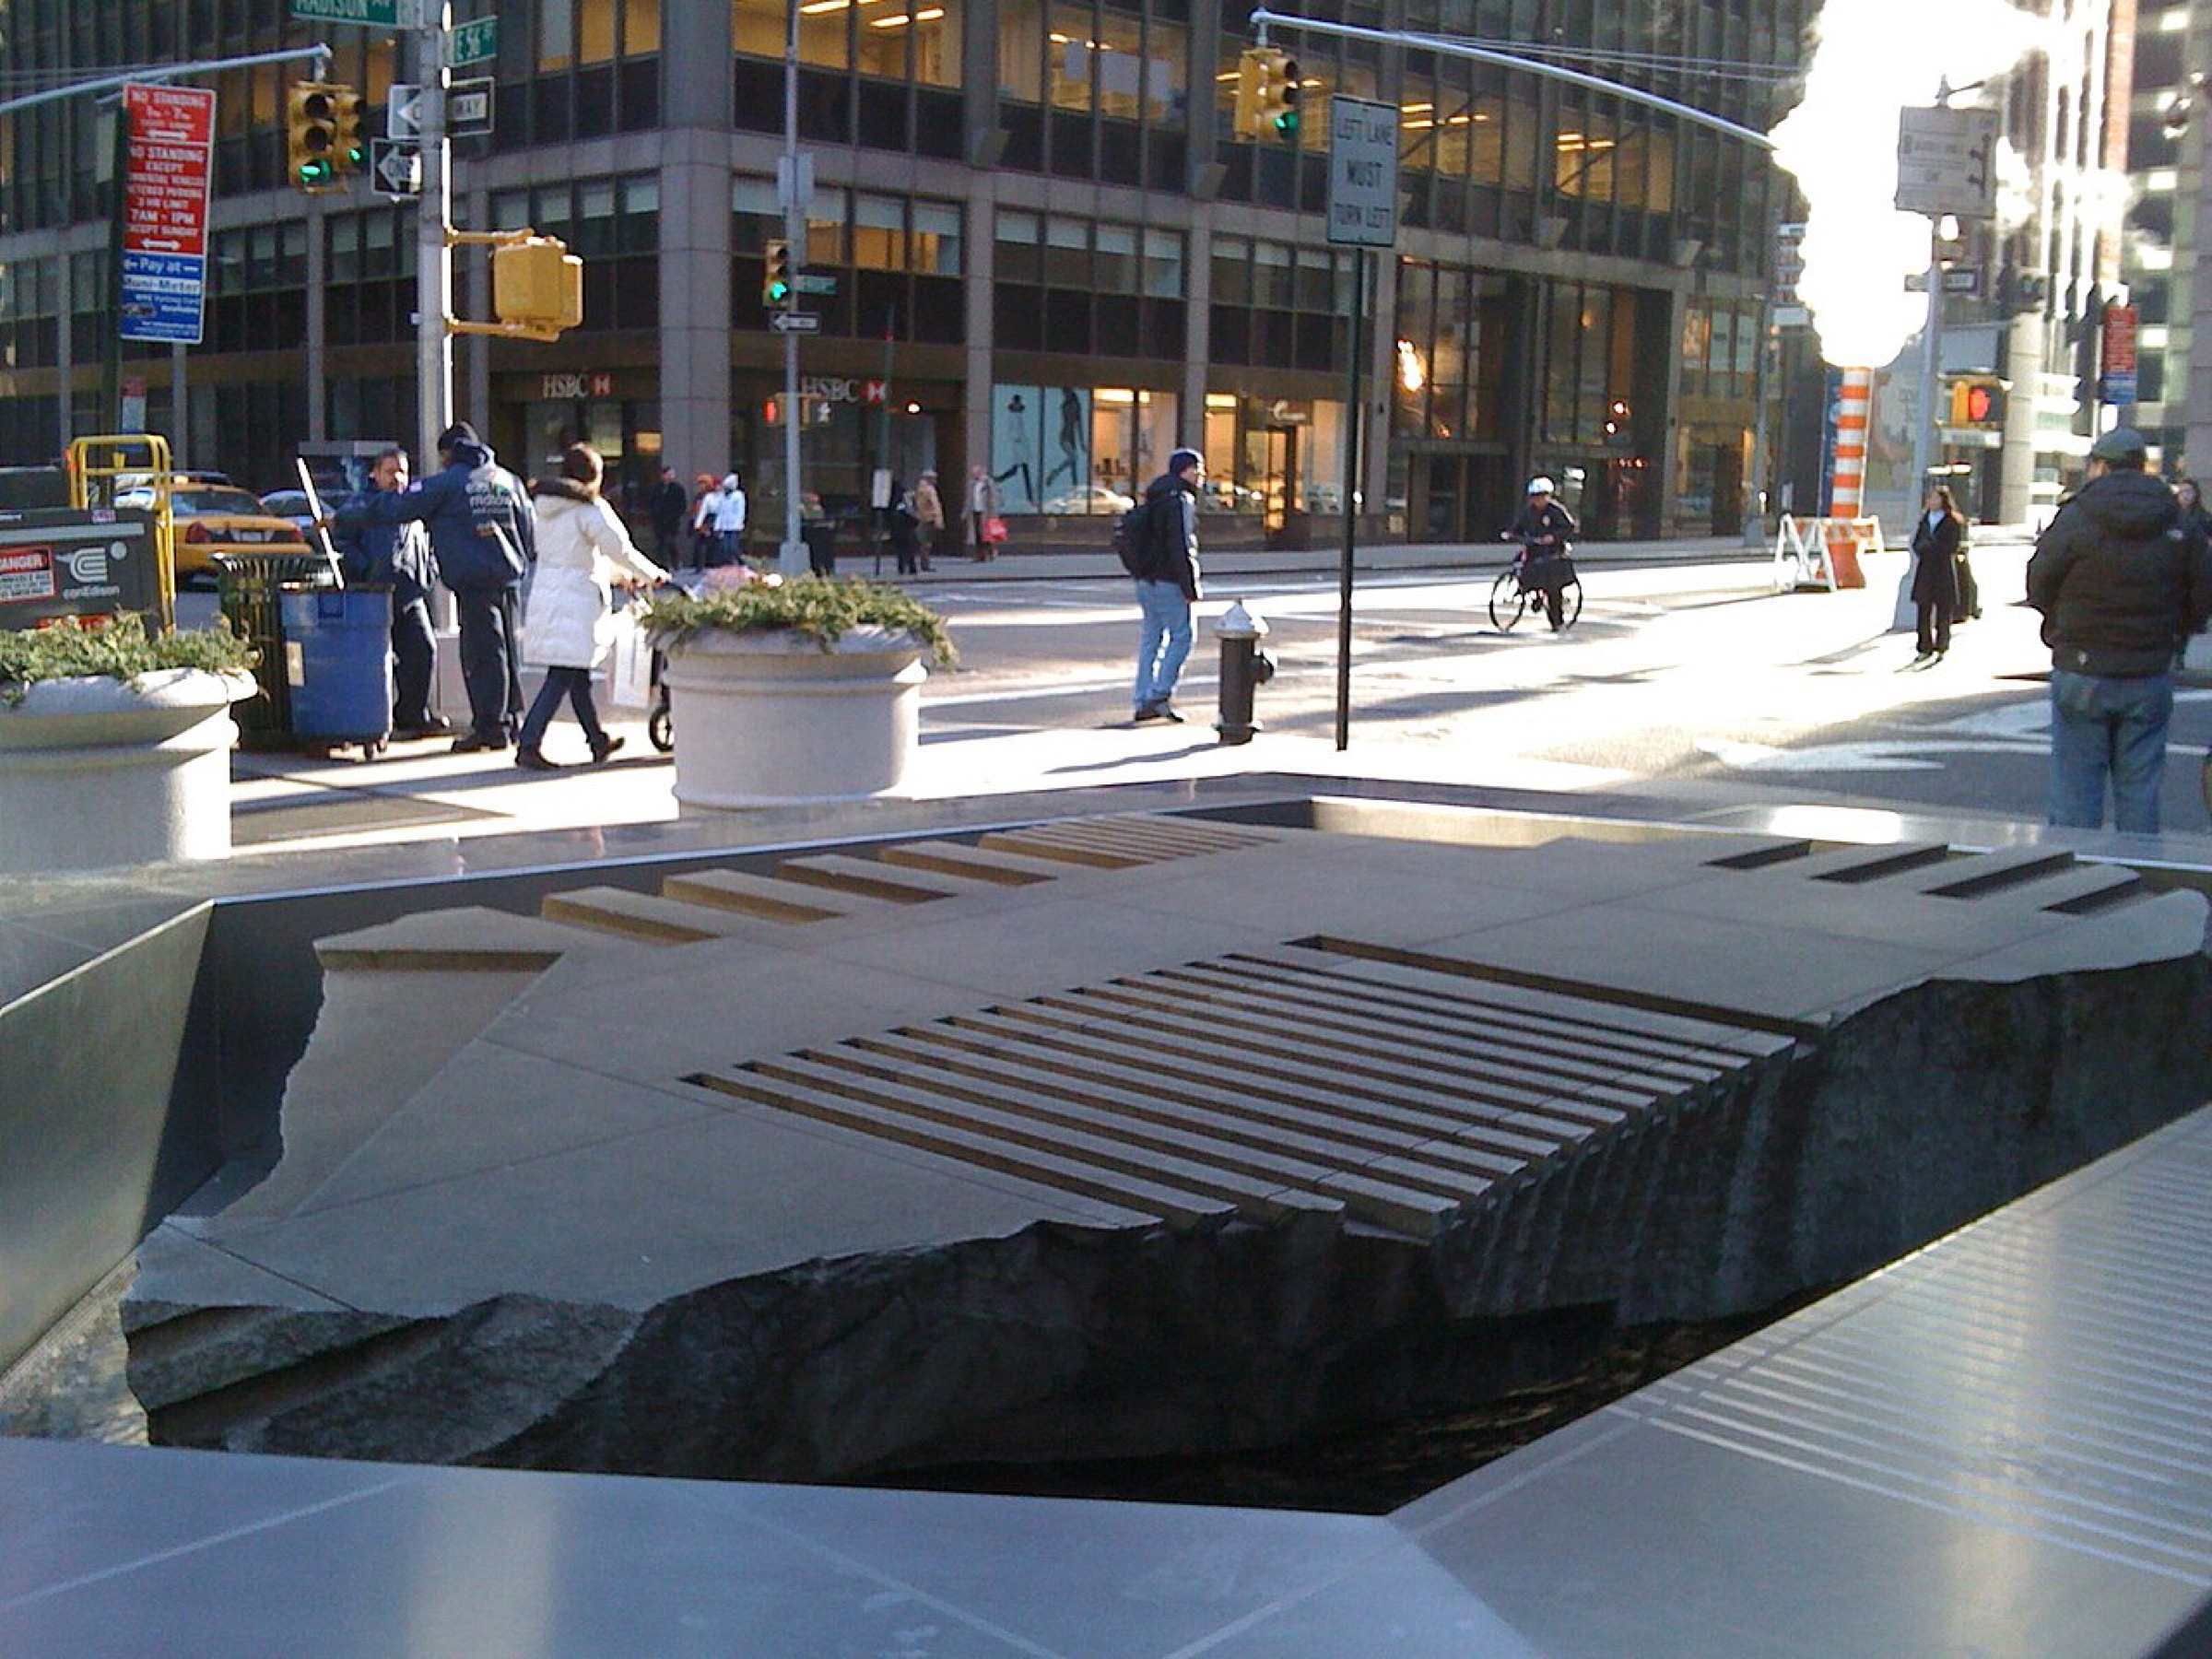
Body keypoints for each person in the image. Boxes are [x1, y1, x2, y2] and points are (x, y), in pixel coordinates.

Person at [2026, 425, 2212, 834]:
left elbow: (2039, 584)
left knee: (2075, 791)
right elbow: (2202, 597)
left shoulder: (2076, 517)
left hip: (2082, 662)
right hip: (2149, 667)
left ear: (2101, 466)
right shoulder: (2177, 520)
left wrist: (2059, 626)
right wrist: (2175, 634)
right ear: (2142, 466)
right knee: (2140, 791)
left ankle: (2076, 869)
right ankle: (2136, 868)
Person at [336, 420, 535, 754]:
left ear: (448, 454)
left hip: (474, 581)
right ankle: (511, 720)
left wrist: (343, 518)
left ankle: (490, 728)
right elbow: (529, 529)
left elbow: (395, 507)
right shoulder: (506, 480)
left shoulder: (447, 483)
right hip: (509, 577)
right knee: (508, 654)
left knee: (483, 655)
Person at [513, 444, 669, 771]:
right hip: (577, 599)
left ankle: (597, 739)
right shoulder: (590, 508)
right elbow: (620, 549)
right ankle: (529, 742)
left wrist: (619, 577)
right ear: (594, 476)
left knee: (576, 675)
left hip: (550, 592)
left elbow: (579, 556)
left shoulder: (544, 507)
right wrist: (652, 575)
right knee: (563, 674)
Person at [332, 445, 449, 741]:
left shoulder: (415, 506)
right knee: (374, 661)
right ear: (375, 473)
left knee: (422, 651)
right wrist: (364, 569)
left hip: (410, 595)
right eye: (390, 471)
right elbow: (341, 544)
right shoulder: (359, 507)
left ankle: (412, 715)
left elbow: (429, 545)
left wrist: (428, 573)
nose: (397, 478)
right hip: (372, 596)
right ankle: (372, 721)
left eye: (402, 472)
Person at [1129, 446, 1205, 724]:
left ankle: (1143, 698)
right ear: (1185, 471)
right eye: (1197, 469)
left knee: (1151, 638)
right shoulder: (1180, 500)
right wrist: (1189, 586)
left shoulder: (1155, 495)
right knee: (1182, 636)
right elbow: (1180, 545)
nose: (1201, 475)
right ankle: (1160, 695)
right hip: (1169, 579)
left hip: (1146, 578)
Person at [1505, 477, 1577, 630]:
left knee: (1552, 585)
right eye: (1534, 497)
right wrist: (1511, 533)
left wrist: (1553, 537)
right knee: (1520, 564)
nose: (1537, 500)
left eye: (1541, 496)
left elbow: (1569, 527)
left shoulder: (1556, 510)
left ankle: (1556, 621)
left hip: (1553, 550)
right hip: (1535, 548)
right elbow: (1518, 527)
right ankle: (1527, 590)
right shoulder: (1528, 512)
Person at [1910, 483, 1963, 661]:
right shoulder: (1925, 520)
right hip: (1926, 570)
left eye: (1935, 498)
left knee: (1943, 609)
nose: (1931, 501)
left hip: (1943, 569)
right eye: (1930, 498)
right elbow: (1916, 543)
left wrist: (1934, 547)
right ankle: (1924, 646)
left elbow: (1952, 546)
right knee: (1923, 609)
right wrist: (1923, 548)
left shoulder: (1951, 521)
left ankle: (1942, 645)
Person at [696, 472, 747, 567]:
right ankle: (724, 564)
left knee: (732, 547)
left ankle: (737, 563)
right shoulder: (721, 497)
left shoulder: (738, 496)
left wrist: (738, 523)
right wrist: (718, 526)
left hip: (734, 526)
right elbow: (721, 512)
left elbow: (740, 511)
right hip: (724, 526)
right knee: (724, 547)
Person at [649, 465, 688, 569]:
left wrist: (677, 515)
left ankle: (675, 560)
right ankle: (662, 564)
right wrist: (654, 513)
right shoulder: (657, 488)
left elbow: (682, 504)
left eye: (671, 474)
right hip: (659, 520)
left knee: (671, 542)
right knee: (660, 543)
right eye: (667, 474)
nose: (670, 476)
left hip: (672, 521)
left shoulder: (678, 489)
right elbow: (652, 501)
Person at [961, 462, 1001, 560]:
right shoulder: (972, 484)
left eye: (975, 473)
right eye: (973, 473)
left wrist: (993, 512)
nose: (974, 475)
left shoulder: (988, 482)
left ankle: (990, 552)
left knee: (986, 534)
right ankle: (980, 555)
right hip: (976, 510)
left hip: (986, 512)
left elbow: (993, 497)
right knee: (978, 534)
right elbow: (969, 499)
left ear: (981, 472)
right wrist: (965, 513)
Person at [884, 479, 921, 575]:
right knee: (909, 550)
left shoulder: (893, 507)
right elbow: (914, 519)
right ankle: (912, 568)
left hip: (897, 531)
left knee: (900, 550)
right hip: (907, 531)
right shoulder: (906, 507)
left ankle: (901, 568)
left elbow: (888, 518)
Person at [911, 469, 943, 571]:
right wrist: (938, 519)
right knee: (927, 543)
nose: (935, 480)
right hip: (929, 518)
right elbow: (935, 505)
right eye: (934, 478)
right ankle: (925, 564)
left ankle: (923, 563)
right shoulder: (929, 490)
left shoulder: (920, 489)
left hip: (922, 517)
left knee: (924, 541)